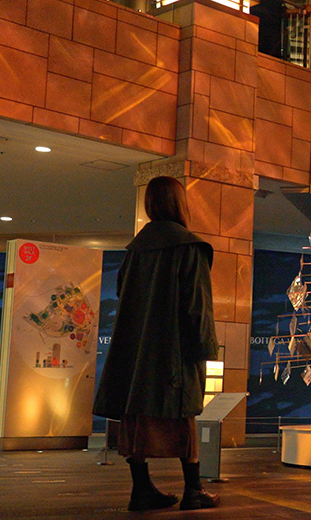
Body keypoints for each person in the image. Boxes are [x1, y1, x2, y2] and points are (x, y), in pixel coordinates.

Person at [93, 176, 220, 511]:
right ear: (180, 202)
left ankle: (141, 489)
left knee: (136, 417)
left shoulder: (135, 250)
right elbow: (197, 306)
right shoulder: (188, 246)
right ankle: (193, 490)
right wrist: (205, 350)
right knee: (184, 416)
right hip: (173, 351)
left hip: (135, 353)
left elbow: (123, 295)